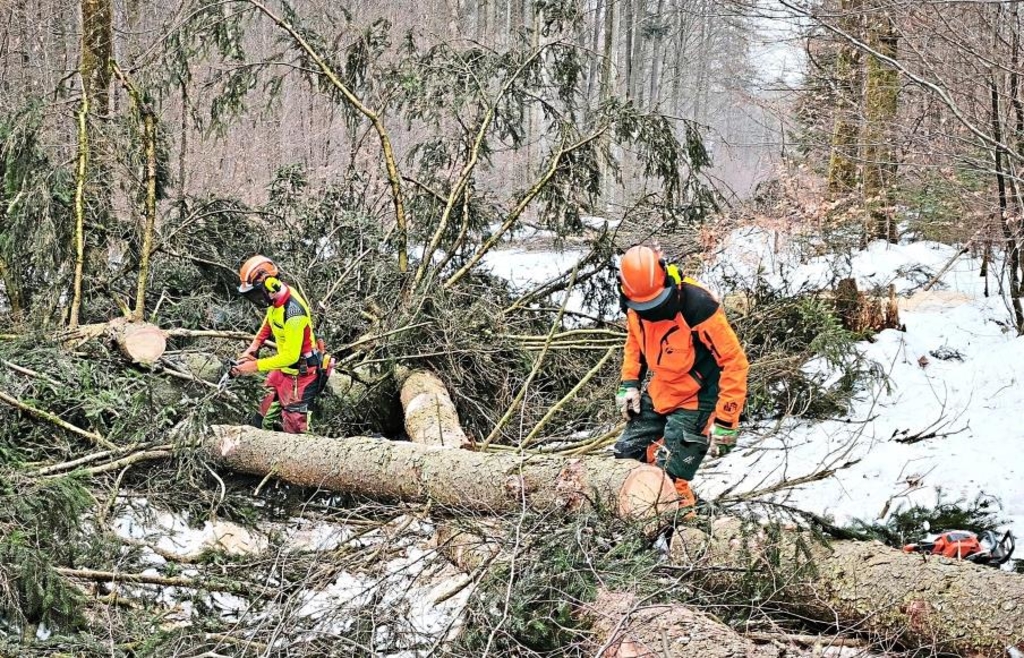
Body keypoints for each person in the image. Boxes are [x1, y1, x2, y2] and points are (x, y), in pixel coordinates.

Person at [613, 245, 749, 512]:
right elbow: (634, 343)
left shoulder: (697, 305)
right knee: (626, 455)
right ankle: (638, 517)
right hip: (662, 387)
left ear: (666, 278)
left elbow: (734, 362)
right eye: (643, 307)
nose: (649, 311)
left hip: (698, 397)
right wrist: (629, 383)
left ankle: (684, 536)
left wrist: (727, 420)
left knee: (672, 478)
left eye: (655, 304)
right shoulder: (632, 303)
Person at [230, 255, 331, 434]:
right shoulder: (276, 299)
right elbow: (269, 323)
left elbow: (290, 356)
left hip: (300, 374)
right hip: (283, 369)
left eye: (255, 292)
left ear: (270, 284)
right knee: (261, 408)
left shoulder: (294, 314)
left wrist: (252, 366)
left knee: (295, 428)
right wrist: (253, 348)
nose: (256, 299)